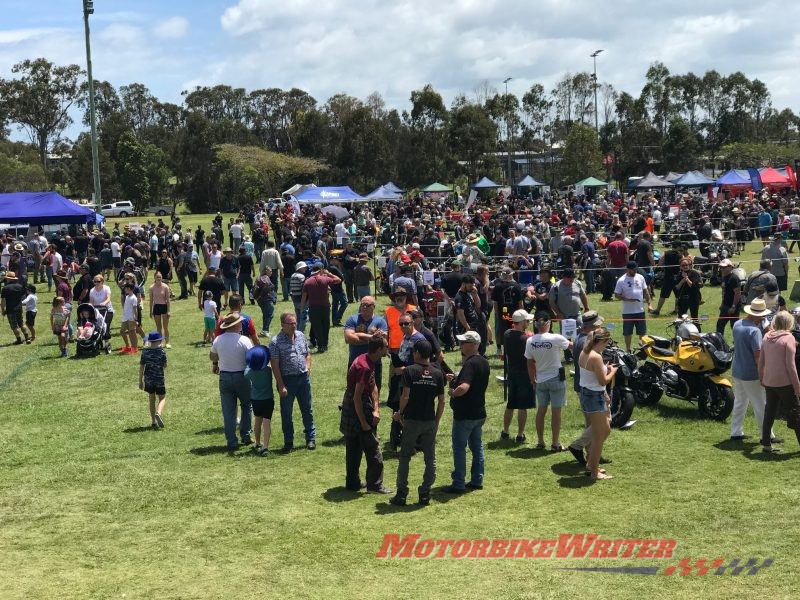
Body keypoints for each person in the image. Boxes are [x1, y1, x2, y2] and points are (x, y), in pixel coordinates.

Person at [390, 339, 445, 506]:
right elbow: (442, 401)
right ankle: (425, 493)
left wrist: (399, 413)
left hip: (412, 420)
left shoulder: (410, 371)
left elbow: (405, 396)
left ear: (418, 354)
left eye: (414, 352)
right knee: (430, 458)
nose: (413, 354)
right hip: (429, 420)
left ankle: (401, 494)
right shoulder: (437, 373)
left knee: (405, 456)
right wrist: (436, 421)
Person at [340, 334, 391, 494]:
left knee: (354, 445)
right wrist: (363, 423)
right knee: (372, 446)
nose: (387, 349)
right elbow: (357, 396)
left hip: (359, 402)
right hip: (358, 405)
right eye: (386, 347)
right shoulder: (365, 366)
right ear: (379, 349)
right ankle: (375, 485)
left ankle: (353, 482)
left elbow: (373, 385)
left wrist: (376, 408)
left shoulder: (367, 359)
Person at [443, 330, 489, 494]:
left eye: (464, 342)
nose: (460, 345)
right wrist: (456, 377)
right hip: (479, 412)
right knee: (477, 447)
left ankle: (458, 483)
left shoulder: (470, 364)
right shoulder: (483, 361)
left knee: (459, 448)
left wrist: (452, 392)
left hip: (465, 414)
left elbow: (464, 387)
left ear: (474, 345)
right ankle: (477, 479)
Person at [567, 311, 612, 466]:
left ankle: (591, 455)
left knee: (593, 423)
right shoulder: (589, 343)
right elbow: (595, 374)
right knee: (600, 424)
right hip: (591, 388)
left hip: (583, 386)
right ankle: (584, 450)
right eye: (598, 324)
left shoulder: (580, 340)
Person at [731, 298, 777, 443]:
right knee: (761, 404)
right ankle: (767, 435)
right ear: (757, 315)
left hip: (737, 371)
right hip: (751, 374)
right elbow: (758, 356)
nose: (763, 317)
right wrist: (762, 375)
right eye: (762, 315)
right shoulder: (754, 331)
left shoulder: (738, 324)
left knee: (740, 402)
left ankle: (736, 432)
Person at [269, 312, 316, 452]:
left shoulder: (301, 335)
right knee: (287, 413)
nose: (294, 325)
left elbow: (307, 353)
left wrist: (308, 367)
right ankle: (288, 441)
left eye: (295, 322)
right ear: (283, 325)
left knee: (307, 409)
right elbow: (275, 365)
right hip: (287, 381)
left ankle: (311, 438)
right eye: (291, 323)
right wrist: (281, 385)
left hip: (303, 378)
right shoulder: (275, 342)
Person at [525, 311, 571, 451]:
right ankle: (555, 443)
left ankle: (540, 441)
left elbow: (530, 363)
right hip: (556, 378)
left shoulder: (530, 341)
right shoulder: (556, 338)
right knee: (556, 412)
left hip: (540, 380)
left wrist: (533, 380)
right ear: (549, 323)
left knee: (541, 410)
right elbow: (572, 346)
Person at [210, 312, 254, 452]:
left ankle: (231, 441)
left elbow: (212, 356)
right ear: (236, 325)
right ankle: (246, 435)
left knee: (228, 411)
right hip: (242, 376)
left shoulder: (218, 340)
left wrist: (218, 361)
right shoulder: (245, 340)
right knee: (247, 406)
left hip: (225, 377)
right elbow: (252, 358)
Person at [578, 327, 618, 481]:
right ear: (602, 341)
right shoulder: (596, 356)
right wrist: (612, 371)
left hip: (591, 393)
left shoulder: (585, 352)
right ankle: (594, 471)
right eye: (607, 343)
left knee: (605, 430)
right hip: (594, 396)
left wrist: (604, 392)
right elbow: (603, 380)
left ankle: (591, 463)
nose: (607, 346)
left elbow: (594, 377)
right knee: (599, 436)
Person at [757, 310, 797, 453]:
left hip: (769, 381)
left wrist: (762, 378)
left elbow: (761, 361)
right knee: (795, 413)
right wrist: (797, 387)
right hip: (785, 383)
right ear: (789, 323)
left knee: (769, 412)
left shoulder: (767, 336)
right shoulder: (789, 338)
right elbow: (791, 366)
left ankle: (767, 445)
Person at [501, 309, 535, 442]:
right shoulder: (527, 339)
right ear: (521, 322)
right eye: (527, 321)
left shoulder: (507, 334)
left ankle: (505, 431)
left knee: (510, 404)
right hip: (525, 374)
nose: (528, 322)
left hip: (512, 373)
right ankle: (520, 434)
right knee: (522, 406)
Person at [344, 296, 388, 389]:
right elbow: (348, 338)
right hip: (355, 362)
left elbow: (383, 341)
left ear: (373, 307)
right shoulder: (352, 319)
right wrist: (371, 337)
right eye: (362, 305)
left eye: (367, 305)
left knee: (374, 390)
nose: (364, 307)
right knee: (353, 390)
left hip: (374, 363)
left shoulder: (380, 321)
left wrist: (359, 335)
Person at [300, 264, 341, 353]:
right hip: (325, 306)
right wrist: (329, 273)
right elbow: (339, 279)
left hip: (313, 307)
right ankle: (325, 344)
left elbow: (304, 297)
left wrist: (302, 309)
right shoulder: (325, 279)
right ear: (320, 271)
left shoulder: (307, 281)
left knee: (317, 327)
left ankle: (320, 345)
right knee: (325, 326)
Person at [614, 261, 652, 353]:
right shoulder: (621, 280)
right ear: (628, 269)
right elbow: (616, 294)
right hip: (627, 312)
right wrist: (626, 299)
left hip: (640, 310)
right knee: (627, 332)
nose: (635, 271)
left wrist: (649, 304)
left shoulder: (640, 277)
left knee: (642, 332)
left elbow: (645, 291)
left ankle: (644, 350)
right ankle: (628, 349)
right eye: (633, 270)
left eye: (636, 269)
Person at [245, 345, 274, 456]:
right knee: (267, 422)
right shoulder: (268, 370)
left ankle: (257, 442)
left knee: (257, 421)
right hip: (268, 399)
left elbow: (246, 372)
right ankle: (265, 447)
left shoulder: (250, 372)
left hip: (256, 399)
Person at [139, 331, 168, 429]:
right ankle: (158, 413)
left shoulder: (145, 352)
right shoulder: (161, 352)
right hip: (159, 378)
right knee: (162, 398)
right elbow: (164, 365)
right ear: (159, 341)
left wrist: (140, 381)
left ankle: (153, 422)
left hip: (148, 379)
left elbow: (142, 367)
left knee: (151, 399)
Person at [717, 258, 742, 335]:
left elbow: (737, 293)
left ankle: (737, 344)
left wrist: (733, 306)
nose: (722, 269)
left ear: (730, 267)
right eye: (721, 267)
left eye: (724, 267)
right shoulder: (724, 277)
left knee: (734, 327)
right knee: (720, 325)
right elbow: (724, 291)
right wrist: (722, 303)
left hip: (733, 307)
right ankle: (720, 344)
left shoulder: (734, 278)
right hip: (725, 306)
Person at [148, 272, 172, 349]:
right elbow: (151, 300)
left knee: (166, 326)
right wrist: (150, 311)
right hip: (156, 307)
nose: (159, 278)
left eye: (160, 277)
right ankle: (160, 342)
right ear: (154, 278)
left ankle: (167, 342)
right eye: (157, 277)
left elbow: (168, 300)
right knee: (158, 327)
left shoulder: (165, 287)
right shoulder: (152, 287)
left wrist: (168, 311)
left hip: (164, 306)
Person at [253, 266, 277, 337]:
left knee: (265, 314)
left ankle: (265, 330)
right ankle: (265, 330)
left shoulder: (258, 278)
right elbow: (267, 288)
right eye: (270, 271)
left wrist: (258, 297)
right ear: (266, 271)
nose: (271, 273)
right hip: (267, 299)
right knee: (270, 314)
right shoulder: (266, 278)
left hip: (260, 300)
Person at [119, 283, 139, 354]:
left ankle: (135, 348)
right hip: (125, 317)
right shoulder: (127, 296)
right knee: (122, 331)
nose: (124, 289)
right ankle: (128, 346)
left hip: (131, 318)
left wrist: (136, 319)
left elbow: (135, 309)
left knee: (132, 333)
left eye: (126, 288)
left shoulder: (134, 298)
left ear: (129, 289)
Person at [290, 262, 309, 332]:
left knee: (297, 318)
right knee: (303, 318)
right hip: (302, 300)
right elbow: (304, 289)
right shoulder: (301, 277)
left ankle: (296, 332)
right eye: (304, 267)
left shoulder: (292, 276)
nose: (305, 269)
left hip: (295, 299)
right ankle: (301, 333)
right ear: (300, 268)